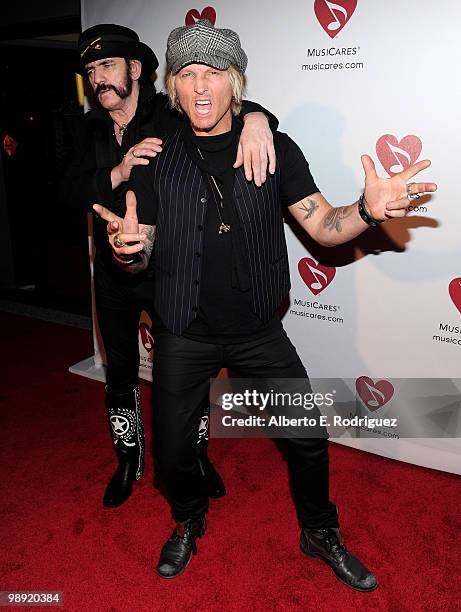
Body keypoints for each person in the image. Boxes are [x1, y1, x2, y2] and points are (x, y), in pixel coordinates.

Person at [94, 19, 437, 590]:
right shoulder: (154, 155)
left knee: (307, 436)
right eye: (186, 74)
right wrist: (129, 250)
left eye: (213, 74)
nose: (200, 86)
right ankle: (188, 519)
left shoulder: (273, 145)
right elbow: (142, 247)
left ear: (235, 83)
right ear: (173, 89)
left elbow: (326, 227)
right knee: (176, 455)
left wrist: (369, 211)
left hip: (258, 330)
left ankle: (319, 530)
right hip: (184, 330)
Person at [61, 23, 278, 509]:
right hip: (115, 272)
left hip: (170, 273)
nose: (98, 79)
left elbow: (224, 112)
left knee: (185, 377)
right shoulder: (86, 127)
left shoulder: (170, 113)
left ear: (135, 70)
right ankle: (128, 460)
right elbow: (67, 190)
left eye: (108, 66)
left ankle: (196, 457)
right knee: (119, 369)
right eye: (91, 70)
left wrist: (261, 118)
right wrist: (116, 172)